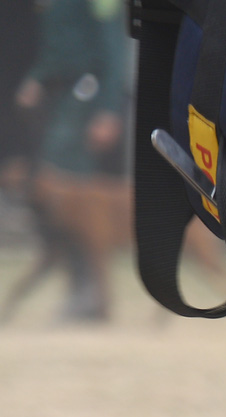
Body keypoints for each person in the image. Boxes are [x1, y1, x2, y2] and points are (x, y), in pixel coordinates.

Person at [10, 0, 127, 322]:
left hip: (87, 94)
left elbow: (114, 49)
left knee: (72, 198)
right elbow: (59, 44)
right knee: (59, 198)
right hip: (63, 96)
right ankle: (80, 289)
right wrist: (39, 76)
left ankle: (89, 294)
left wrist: (109, 108)